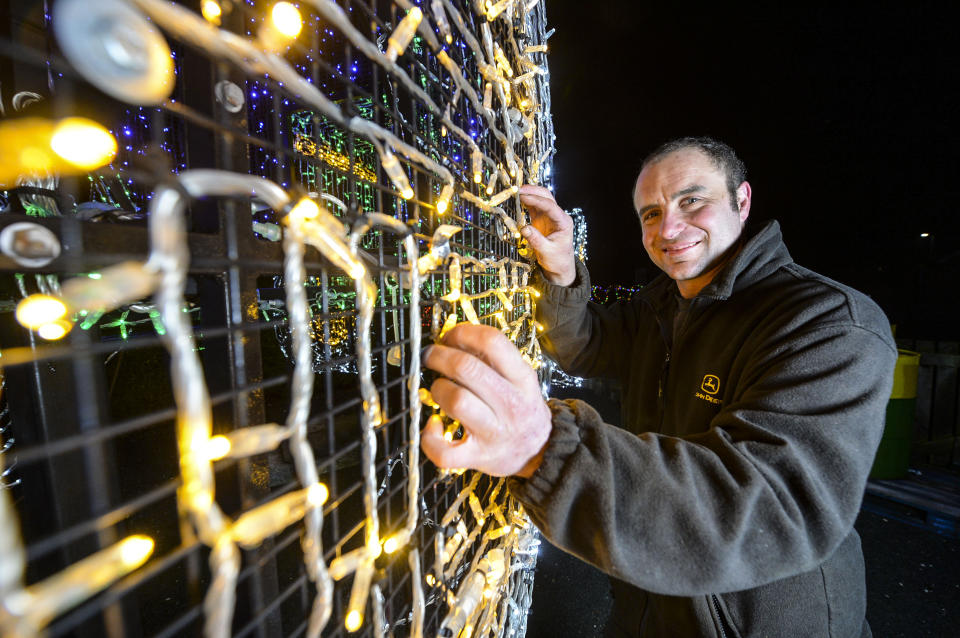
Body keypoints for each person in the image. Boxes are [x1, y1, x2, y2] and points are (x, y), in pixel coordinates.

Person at [421, 137, 897, 637]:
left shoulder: (826, 322)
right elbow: (587, 344)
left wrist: (544, 449)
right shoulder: (661, 306)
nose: (668, 229)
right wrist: (561, 271)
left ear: (743, 200)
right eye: (650, 214)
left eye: (692, 201)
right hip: (645, 609)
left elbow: (768, 505)